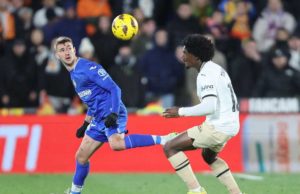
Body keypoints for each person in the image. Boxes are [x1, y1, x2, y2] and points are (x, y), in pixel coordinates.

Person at [53, 36, 174, 194]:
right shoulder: (74, 73)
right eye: (62, 50)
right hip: (98, 116)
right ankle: (74, 193)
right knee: (81, 157)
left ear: (74, 50)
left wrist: (114, 113)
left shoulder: (89, 68)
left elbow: (115, 89)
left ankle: (164, 139)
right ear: (57, 55)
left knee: (116, 144)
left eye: (69, 48)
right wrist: (85, 123)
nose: (66, 52)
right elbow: (93, 99)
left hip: (112, 111)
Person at [162, 34, 244, 194]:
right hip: (231, 124)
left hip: (217, 127)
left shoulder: (205, 75)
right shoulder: (217, 69)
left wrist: (180, 112)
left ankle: (196, 190)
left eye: (185, 53)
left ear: (196, 56)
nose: (182, 56)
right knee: (209, 157)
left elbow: (210, 106)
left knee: (170, 147)